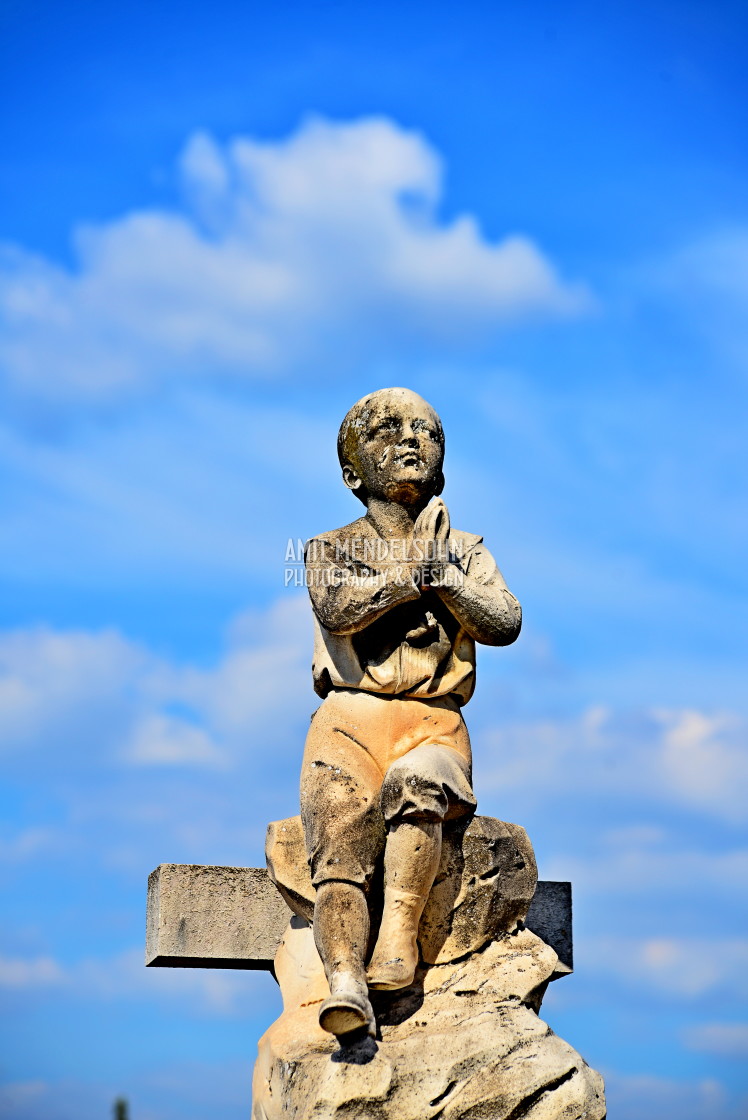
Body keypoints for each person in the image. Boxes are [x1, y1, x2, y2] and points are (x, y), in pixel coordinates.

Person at [302, 387, 521, 1037]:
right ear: (351, 473)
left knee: (419, 783)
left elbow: (505, 620)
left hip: (431, 719)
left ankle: (398, 936)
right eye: (387, 431)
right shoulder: (328, 548)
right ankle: (344, 977)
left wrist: (447, 576)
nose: (409, 440)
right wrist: (413, 573)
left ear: (442, 464)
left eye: (425, 431)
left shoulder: (468, 549)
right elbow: (340, 608)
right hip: (349, 722)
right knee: (339, 819)